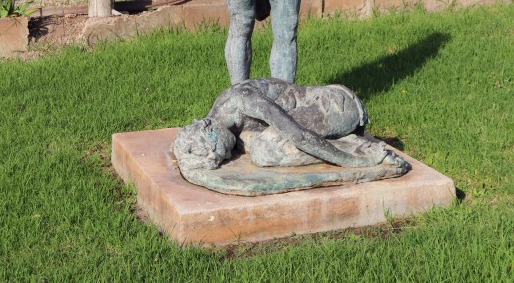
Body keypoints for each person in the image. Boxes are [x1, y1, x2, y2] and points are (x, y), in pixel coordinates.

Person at [174, 79, 409, 174]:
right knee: (257, 145)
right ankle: (346, 141)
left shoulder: (242, 101)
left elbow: (300, 137)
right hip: (320, 110)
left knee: (263, 151)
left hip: (336, 106)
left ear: (209, 130)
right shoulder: (224, 120)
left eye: (219, 152)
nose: (226, 156)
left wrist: (357, 161)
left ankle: (356, 147)